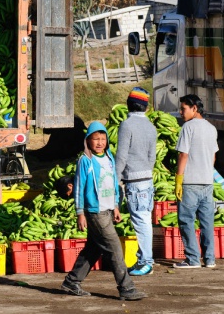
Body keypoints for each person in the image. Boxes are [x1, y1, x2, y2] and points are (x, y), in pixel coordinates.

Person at [60, 121, 147, 301]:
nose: (99, 142)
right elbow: (79, 187)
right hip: (94, 211)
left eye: (102, 138)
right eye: (95, 139)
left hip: (107, 209)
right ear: (87, 141)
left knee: (93, 248)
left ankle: (71, 281)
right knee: (114, 248)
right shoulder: (85, 160)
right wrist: (80, 212)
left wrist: (115, 205)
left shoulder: (109, 157)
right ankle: (126, 288)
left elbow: (114, 182)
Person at [173, 94, 218, 269]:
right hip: (207, 182)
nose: (181, 112)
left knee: (186, 221)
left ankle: (192, 259)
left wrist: (179, 179)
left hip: (190, 182)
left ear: (194, 108)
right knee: (207, 222)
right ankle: (210, 260)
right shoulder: (211, 128)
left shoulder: (188, 127)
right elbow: (213, 156)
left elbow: (183, 154)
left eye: (183, 109)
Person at [116, 87, 157, 276]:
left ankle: (146, 262)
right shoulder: (151, 126)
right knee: (145, 219)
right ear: (145, 107)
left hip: (134, 179)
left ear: (128, 104)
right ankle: (143, 259)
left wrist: (116, 179)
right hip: (147, 179)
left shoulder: (127, 125)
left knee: (141, 222)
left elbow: (122, 156)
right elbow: (152, 157)